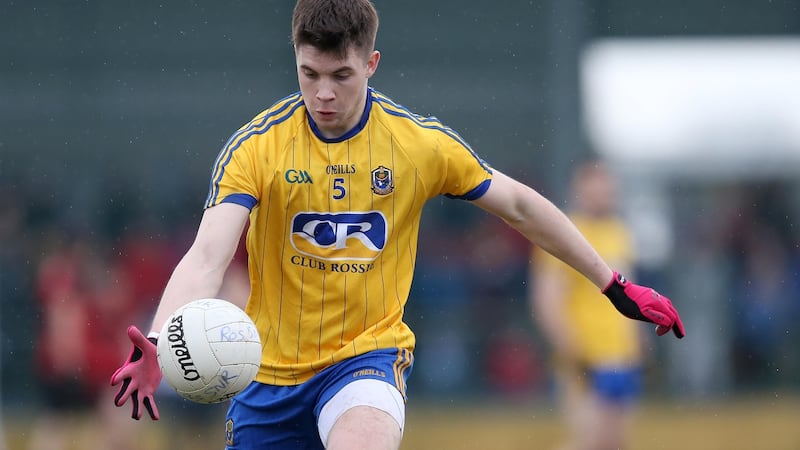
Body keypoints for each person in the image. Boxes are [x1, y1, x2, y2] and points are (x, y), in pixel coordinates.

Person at [110, 1, 685, 449]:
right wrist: (158, 340)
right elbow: (207, 256)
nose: (323, 93)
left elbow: (521, 206)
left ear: (371, 63)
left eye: (341, 74)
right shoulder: (256, 147)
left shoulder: (417, 144)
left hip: (365, 360)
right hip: (265, 377)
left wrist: (613, 284)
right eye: (309, 74)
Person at [529, 160, 645, 450]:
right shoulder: (562, 233)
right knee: (591, 441)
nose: (603, 192)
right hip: (586, 358)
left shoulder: (619, 232)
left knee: (616, 442)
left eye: (606, 185)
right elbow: (547, 299)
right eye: (594, 185)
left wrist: (638, 338)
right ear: (578, 188)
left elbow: (632, 292)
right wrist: (570, 348)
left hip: (622, 357)